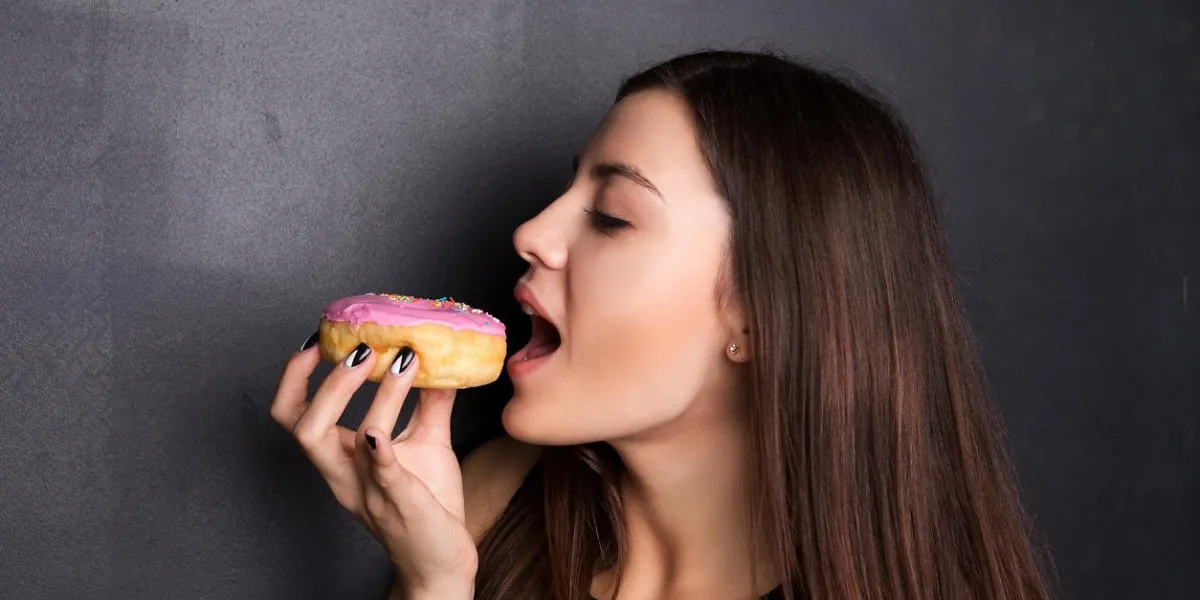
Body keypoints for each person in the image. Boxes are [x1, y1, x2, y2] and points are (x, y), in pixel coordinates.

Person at [271, 50, 1056, 600]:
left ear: (760, 313)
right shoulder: (488, 501)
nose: (532, 232)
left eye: (611, 217)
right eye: (566, 191)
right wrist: (434, 584)